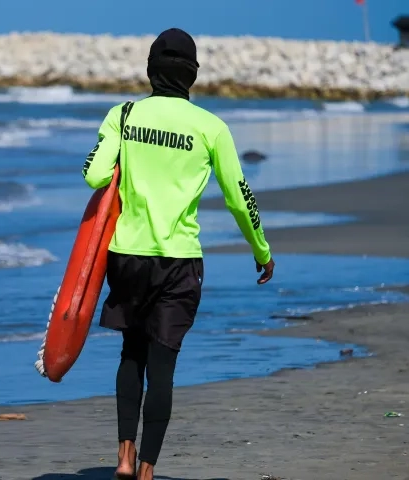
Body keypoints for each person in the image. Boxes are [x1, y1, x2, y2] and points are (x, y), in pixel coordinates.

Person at [81, 28, 275, 480]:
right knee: (162, 365)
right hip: (180, 261)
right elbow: (239, 197)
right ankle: (147, 471)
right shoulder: (211, 128)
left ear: (151, 70)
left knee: (131, 353)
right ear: (192, 76)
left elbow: (94, 175)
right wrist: (261, 250)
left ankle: (124, 456)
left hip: (127, 255)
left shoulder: (124, 115)